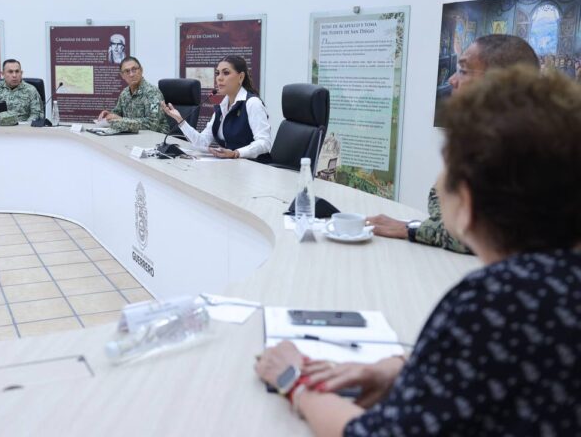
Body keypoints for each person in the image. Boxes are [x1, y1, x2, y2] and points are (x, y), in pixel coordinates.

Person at [255, 66, 581, 435]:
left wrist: (295, 381)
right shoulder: (545, 291)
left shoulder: (494, 302)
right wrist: (403, 367)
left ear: (466, 204)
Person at [370, 34, 539, 253]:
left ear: (500, 83)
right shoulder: (488, 138)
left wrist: (414, 229)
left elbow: (483, 232)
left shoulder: (532, 149)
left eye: (463, 70)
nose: (452, 80)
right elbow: (447, 209)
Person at [160, 55, 271, 160]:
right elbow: (202, 142)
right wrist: (180, 120)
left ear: (241, 77)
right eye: (217, 73)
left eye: (226, 73)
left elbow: (265, 142)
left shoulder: (252, 103)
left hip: (255, 166)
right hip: (232, 165)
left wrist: (236, 153)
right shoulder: (223, 107)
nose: (219, 78)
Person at [97, 56, 169, 134]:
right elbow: (117, 113)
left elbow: (152, 124)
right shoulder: (125, 93)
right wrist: (109, 115)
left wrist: (121, 120)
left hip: (156, 137)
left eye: (134, 69)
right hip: (132, 136)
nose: (131, 74)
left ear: (141, 70)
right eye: (127, 71)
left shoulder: (153, 93)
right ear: (122, 75)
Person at [0, 59, 42, 125]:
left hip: (22, 128)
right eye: (10, 72)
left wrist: (26, 126)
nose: (14, 75)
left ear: (21, 73)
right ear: (3, 74)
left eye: (17, 71)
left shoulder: (31, 90)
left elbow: (36, 114)